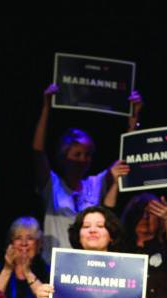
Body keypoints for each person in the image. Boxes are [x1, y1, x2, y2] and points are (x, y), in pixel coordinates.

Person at [31, 84, 141, 256]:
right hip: (54, 265)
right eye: (77, 154)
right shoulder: (52, 185)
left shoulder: (95, 183)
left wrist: (134, 119)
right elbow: (38, 152)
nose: (83, 160)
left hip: (87, 263)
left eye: (88, 155)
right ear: (63, 155)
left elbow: (124, 161)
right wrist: (46, 107)